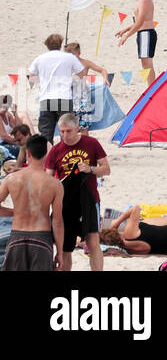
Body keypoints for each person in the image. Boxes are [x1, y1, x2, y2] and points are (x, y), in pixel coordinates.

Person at [46, 114, 109, 271]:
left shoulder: (92, 143)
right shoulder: (55, 150)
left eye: (68, 131)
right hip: (65, 202)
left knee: (93, 241)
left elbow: (106, 169)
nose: (65, 135)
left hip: (89, 199)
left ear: (77, 128)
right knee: (65, 246)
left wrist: (91, 169)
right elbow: (48, 178)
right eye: (61, 131)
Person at [0, 134, 63, 271]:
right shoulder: (54, 184)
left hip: (17, 237)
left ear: (28, 153)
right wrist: (60, 252)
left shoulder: (11, 179)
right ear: (46, 154)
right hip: (42, 238)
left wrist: (15, 212)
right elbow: (57, 222)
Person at [28, 34, 86, 142]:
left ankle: (48, 157)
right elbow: (81, 74)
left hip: (46, 98)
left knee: (46, 133)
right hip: (64, 97)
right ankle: (65, 155)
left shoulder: (39, 58)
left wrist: (43, 82)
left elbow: (31, 78)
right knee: (67, 132)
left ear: (47, 45)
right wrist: (71, 79)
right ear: (60, 45)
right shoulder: (69, 57)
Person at [112, 0, 157, 78]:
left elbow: (140, 22)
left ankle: (152, 90)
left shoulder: (144, 0)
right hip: (144, 33)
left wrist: (126, 37)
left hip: (146, 33)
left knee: (147, 65)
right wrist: (125, 30)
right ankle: (152, 89)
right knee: (146, 64)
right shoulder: (142, 0)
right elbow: (140, 22)